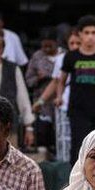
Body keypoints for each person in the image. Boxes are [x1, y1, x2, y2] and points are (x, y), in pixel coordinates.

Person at [55, 16, 95, 164]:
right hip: (77, 111)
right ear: (80, 34)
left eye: (94, 32)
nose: (90, 36)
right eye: (87, 32)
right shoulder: (71, 56)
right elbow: (61, 79)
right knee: (77, 150)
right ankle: (76, 184)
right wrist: (59, 96)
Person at [35, 29, 80, 163]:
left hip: (84, 106)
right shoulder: (63, 58)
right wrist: (41, 101)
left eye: (78, 43)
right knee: (64, 141)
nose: (75, 46)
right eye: (72, 43)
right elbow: (56, 82)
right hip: (65, 105)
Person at [25, 34, 59, 100]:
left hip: (59, 97)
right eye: (45, 46)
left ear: (56, 43)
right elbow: (29, 81)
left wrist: (48, 74)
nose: (47, 49)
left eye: (50, 46)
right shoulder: (37, 56)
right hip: (41, 99)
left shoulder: (64, 55)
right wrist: (38, 78)